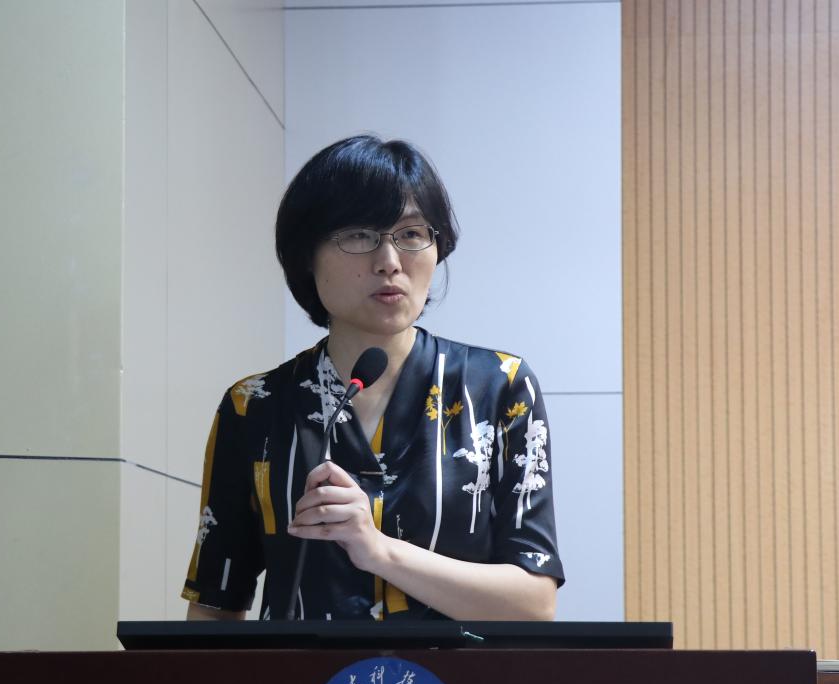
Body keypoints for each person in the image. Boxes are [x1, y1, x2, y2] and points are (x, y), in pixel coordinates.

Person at [182, 135, 564, 621]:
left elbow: (534, 603)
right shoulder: (254, 405)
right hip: (300, 674)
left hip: (454, 673)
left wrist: (379, 551)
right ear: (306, 254)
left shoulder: (499, 387)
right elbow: (214, 606)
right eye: (360, 235)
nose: (389, 261)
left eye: (411, 234)